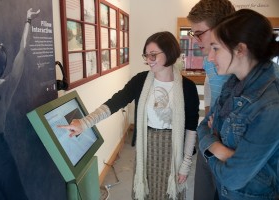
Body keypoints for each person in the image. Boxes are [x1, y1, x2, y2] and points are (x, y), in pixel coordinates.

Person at [59, 31, 199, 199]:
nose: (148, 60)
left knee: (170, 193)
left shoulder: (187, 87)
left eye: (153, 55)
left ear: (169, 52)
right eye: (146, 56)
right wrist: (84, 123)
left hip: (173, 150)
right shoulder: (141, 81)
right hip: (146, 147)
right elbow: (115, 102)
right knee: (145, 191)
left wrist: (185, 164)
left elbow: (191, 127)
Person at [198, 9, 279, 200]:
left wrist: (212, 146)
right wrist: (222, 152)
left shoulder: (270, 104)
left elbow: (233, 177)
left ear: (240, 50)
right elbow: (203, 126)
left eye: (216, 48)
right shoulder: (234, 83)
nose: (210, 57)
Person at [0, 8, 40, 200]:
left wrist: (28, 20)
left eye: (2, 54)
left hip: (1, 149)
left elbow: (22, 50)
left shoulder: (6, 86)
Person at [186, 0, 235, 199]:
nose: (196, 40)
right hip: (211, 137)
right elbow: (209, 85)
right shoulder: (209, 60)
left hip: (232, 149)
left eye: (199, 33)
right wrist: (208, 119)